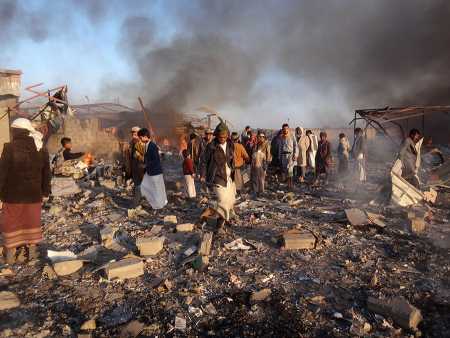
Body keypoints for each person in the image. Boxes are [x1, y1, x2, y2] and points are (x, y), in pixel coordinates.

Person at [0, 118, 51, 264]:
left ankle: (10, 254)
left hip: (12, 195)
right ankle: (32, 253)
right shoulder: (40, 147)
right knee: (31, 222)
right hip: (33, 194)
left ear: (16, 131)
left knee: (11, 222)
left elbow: (2, 172)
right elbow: (46, 173)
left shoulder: (9, 148)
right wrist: (45, 192)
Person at [201, 120, 235, 232]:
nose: (222, 139)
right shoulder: (211, 147)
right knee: (222, 199)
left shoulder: (230, 144)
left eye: (224, 137)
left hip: (228, 176)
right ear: (216, 136)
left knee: (230, 200)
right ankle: (219, 222)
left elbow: (231, 159)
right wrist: (203, 174)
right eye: (220, 137)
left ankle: (225, 218)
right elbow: (204, 162)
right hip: (217, 176)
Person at [138, 128, 168, 209]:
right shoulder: (148, 145)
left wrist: (145, 165)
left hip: (155, 171)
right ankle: (157, 204)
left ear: (145, 137)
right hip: (151, 171)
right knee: (148, 187)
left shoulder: (152, 146)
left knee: (155, 188)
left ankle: (159, 205)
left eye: (140, 138)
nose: (140, 140)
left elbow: (155, 160)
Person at [277, 123, 298, 190]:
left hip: (290, 156)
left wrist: (295, 155)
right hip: (283, 156)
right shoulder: (281, 137)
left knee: (290, 171)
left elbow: (296, 146)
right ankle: (288, 185)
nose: (285, 130)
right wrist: (279, 157)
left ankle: (291, 185)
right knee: (286, 171)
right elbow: (280, 148)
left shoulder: (292, 136)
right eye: (284, 129)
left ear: (288, 129)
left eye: (286, 129)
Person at [251, 131, 271, 196]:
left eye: (260, 137)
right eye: (259, 137)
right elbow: (254, 152)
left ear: (263, 137)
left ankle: (261, 191)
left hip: (263, 162)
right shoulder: (257, 144)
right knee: (256, 177)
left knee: (262, 178)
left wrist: (266, 164)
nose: (259, 138)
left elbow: (268, 154)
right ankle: (257, 191)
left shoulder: (266, 144)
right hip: (257, 162)